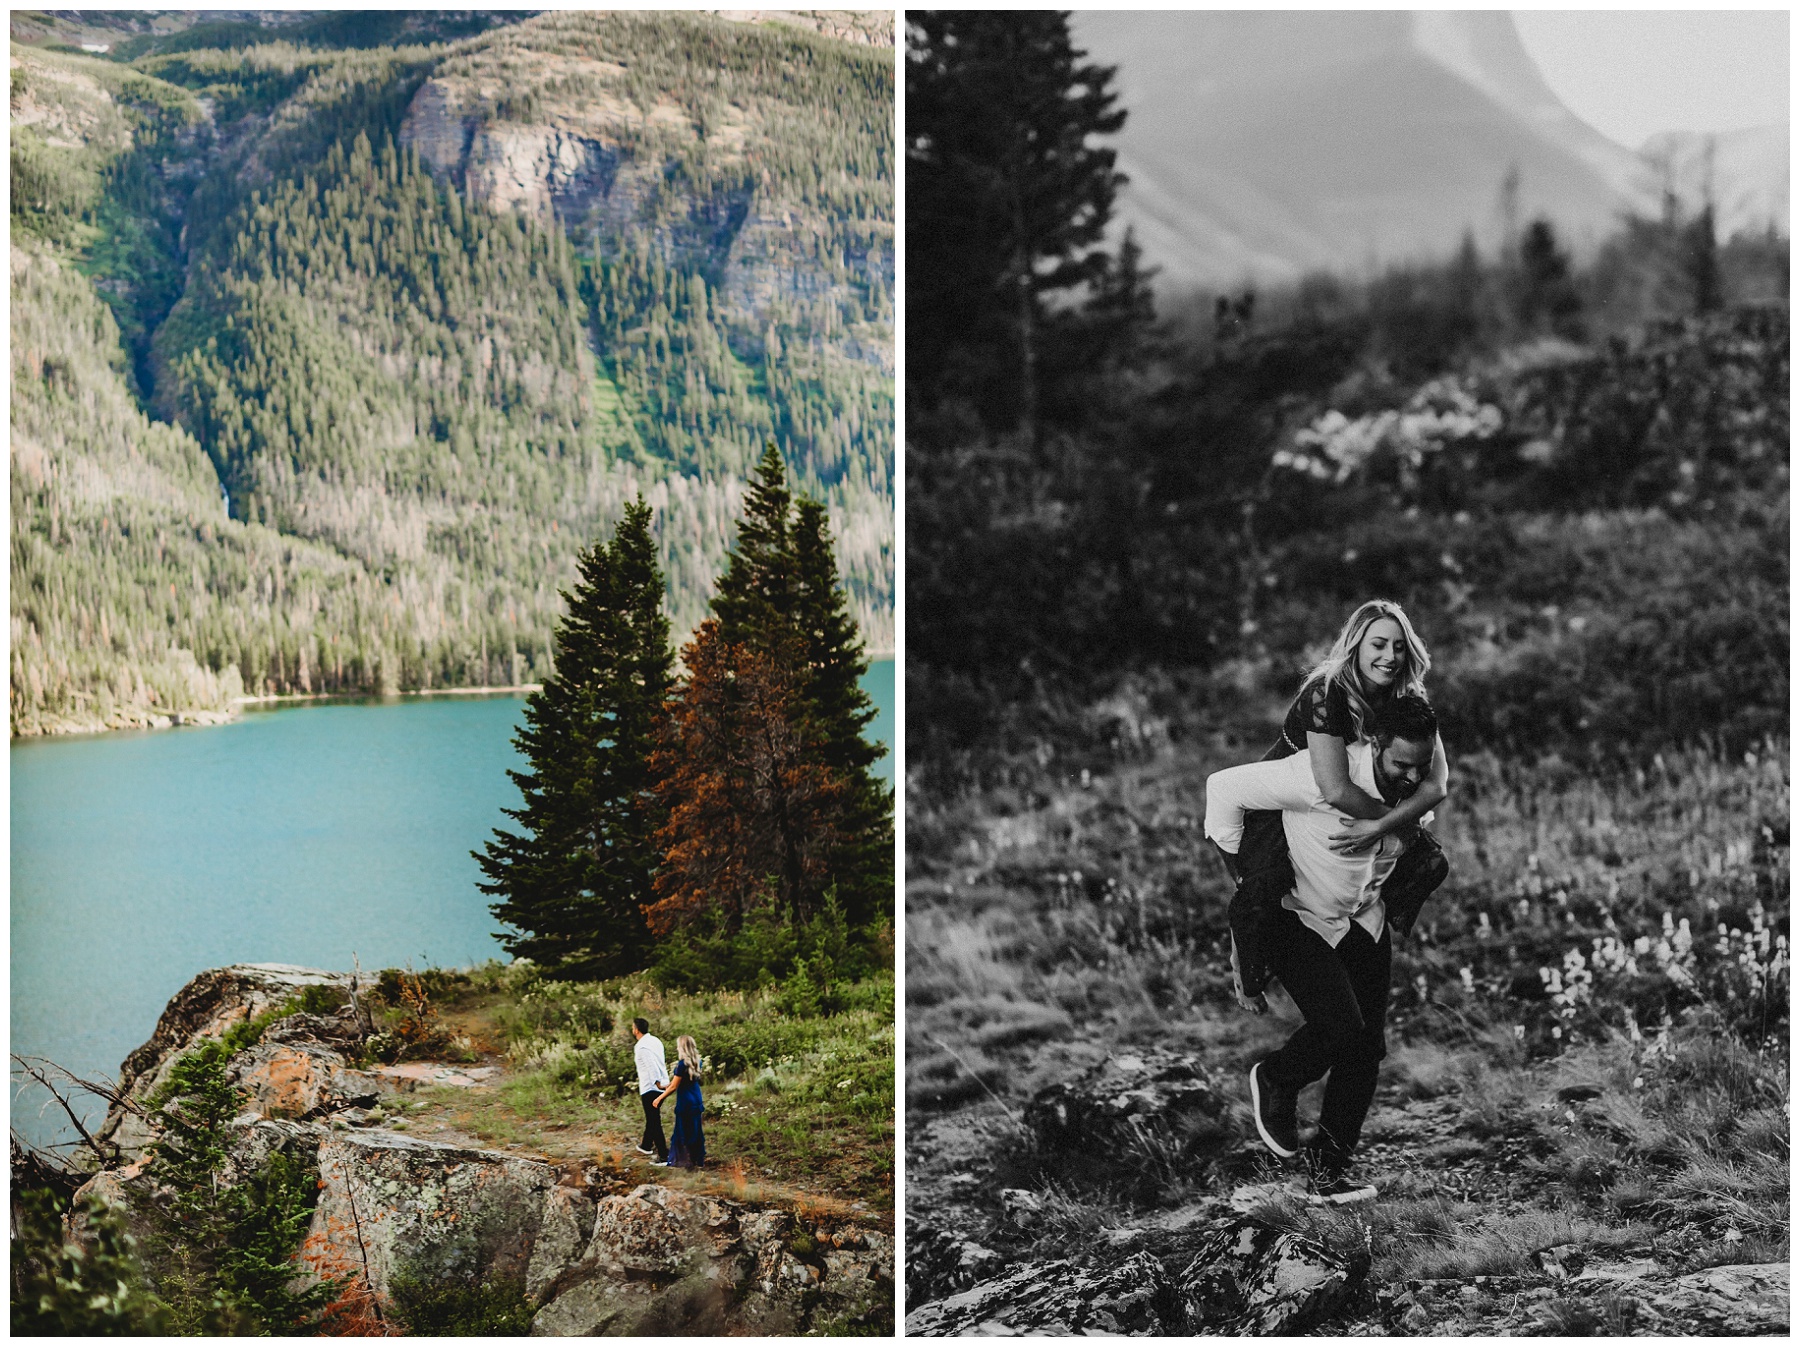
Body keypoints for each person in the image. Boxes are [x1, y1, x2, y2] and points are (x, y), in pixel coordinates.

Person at [1205, 693, 1449, 1186]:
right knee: (1339, 1025)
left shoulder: (1415, 785)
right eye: (1401, 764)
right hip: (1300, 917)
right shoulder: (1317, 777)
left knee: (1366, 1050)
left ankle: (1329, 1172)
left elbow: (1414, 821)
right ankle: (1276, 1078)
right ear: (1376, 744)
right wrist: (1245, 879)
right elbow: (1222, 788)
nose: (1410, 777)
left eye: (1420, 767)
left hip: (1364, 919)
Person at [1226, 600, 1449, 1014]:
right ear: (1357, 646)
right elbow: (1336, 788)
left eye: (1399, 647)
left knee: (1428, 862)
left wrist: (1388, 829)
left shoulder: (1406, 695)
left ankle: (1363, 933)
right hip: (1286, 801)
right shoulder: (1326, 694)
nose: (1390, 656)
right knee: (1263, 894)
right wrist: (1395, 826)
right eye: (1378, 644)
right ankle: (1245, 968)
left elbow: (1436, 785)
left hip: (1350, 805)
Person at [654, 1034, 707, 1169]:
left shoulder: (682, 1064)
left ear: (682, 1047)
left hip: (685, 1100)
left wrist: (659, 1098)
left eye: (678, 1046)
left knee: (682, 1130)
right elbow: (681, 1082)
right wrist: (662, 1086)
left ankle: (681, 1161)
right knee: (695, 1130)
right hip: (696, 1098)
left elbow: (674, 1086)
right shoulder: (697, 1061)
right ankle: (695, 1159)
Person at [631, 1017, 670, 1162]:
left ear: (636, 1029)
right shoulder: (656, 1041)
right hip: (663, 1085)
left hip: (651, 1087)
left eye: (632, 1027)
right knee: (652, 1117)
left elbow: (651, 1065)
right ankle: (646, 1145)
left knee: (654, 1121)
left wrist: (657, 1082)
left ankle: (664, 1155)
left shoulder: (641, 1046)